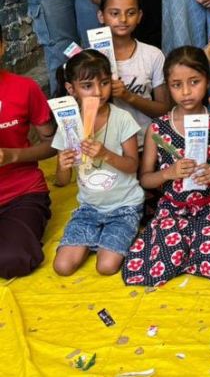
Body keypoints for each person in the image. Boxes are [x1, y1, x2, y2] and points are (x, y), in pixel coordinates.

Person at [123, 46, 210, 286]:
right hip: (174, 208)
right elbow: (145, 179)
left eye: (194, 82)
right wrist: (169, 173)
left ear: (208, 80)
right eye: (176, 85)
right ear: (168, 86)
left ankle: (197, 249)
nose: (186, 92)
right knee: (161, 266)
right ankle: (183, 249)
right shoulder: (158, 128)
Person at [52, 49, 144, 276]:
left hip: (124, 206)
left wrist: (105, 154)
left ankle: (119, 234)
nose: (98, 92)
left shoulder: (122, 118)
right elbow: (62, 181)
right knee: (62, 267)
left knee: (106, 267)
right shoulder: (68, 125)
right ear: (71, 89)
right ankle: (92, 239)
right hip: (89, 208)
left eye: (104, 83)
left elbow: (133, 166)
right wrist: (63, 165)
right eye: (87, 86)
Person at [0, 23, 56, 278]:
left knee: (13, 259)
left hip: (21, 194)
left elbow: (53, 145)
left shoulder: (24, 88)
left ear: (2, 47)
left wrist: (14, 155)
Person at [97, 0, 170, 147]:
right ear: (101, 16)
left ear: (139, 16)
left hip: (145, 142)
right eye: (114, 13)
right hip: (103, 146)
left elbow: (164, 109)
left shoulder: (153, 55)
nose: (123, 19)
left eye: (130, 13)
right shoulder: (90, 57)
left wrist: (128, 96)